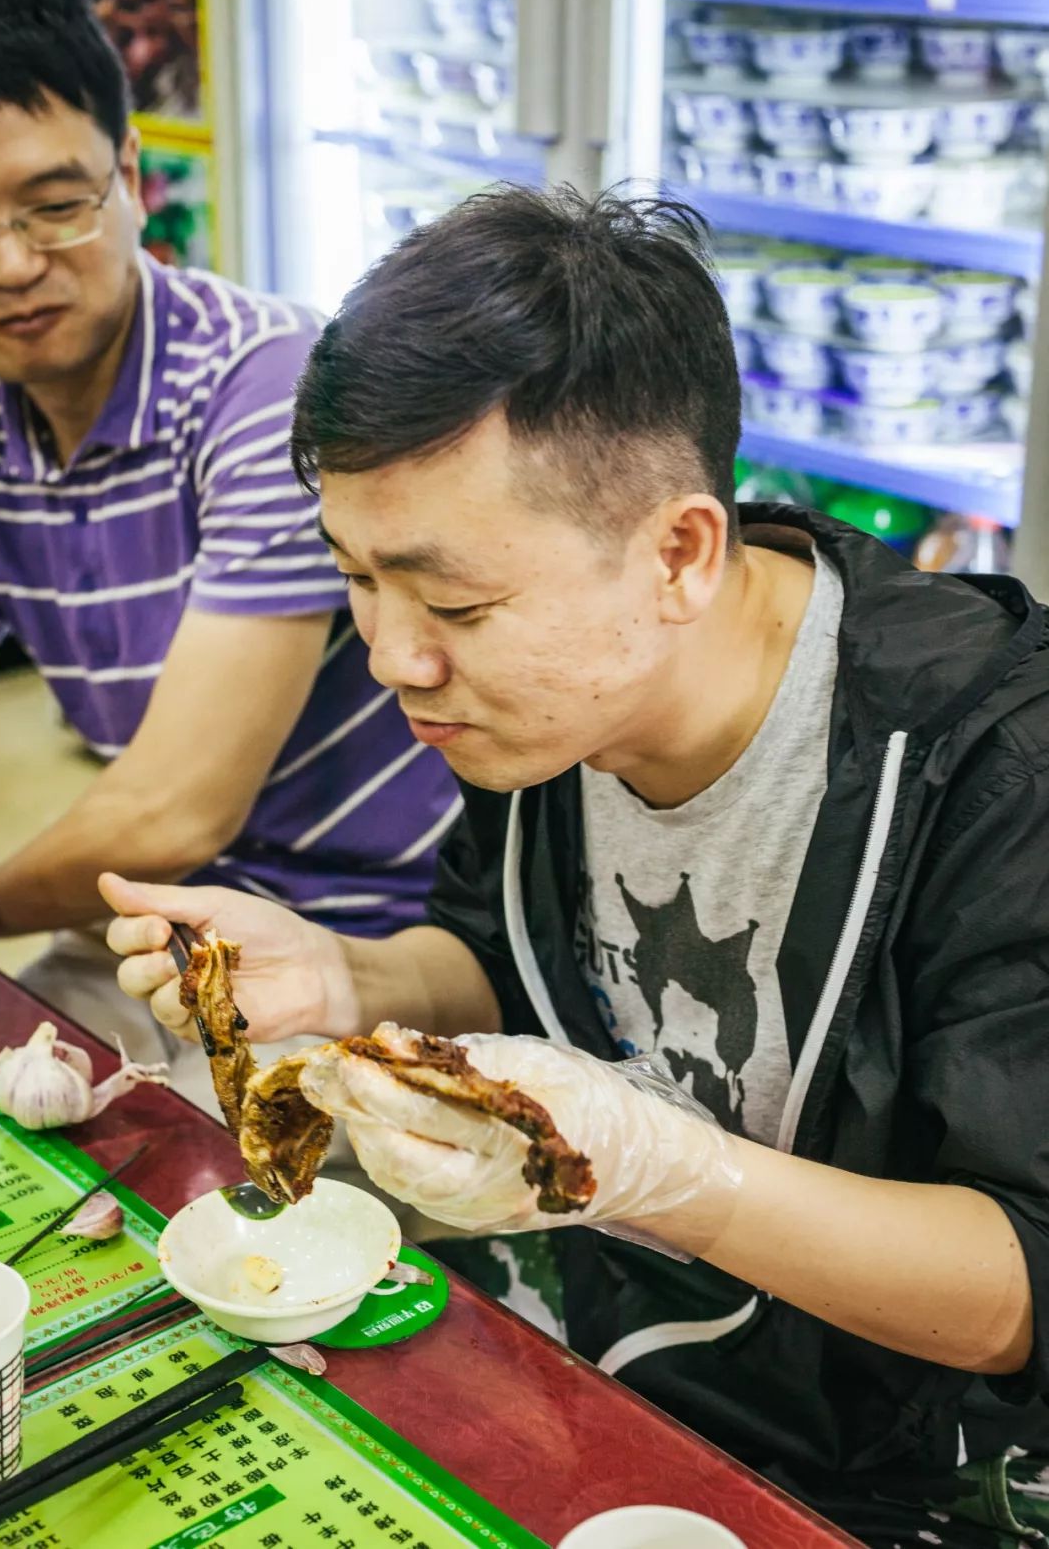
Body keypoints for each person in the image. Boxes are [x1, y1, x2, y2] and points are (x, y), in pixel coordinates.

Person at [103, 186, 1049, 1548]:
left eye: (454, 605)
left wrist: (672, 1172)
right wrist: (343, 978)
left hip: (874, 1472)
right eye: (358, 581)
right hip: (591, 1355)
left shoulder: (991, 764)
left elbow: (1018, 1285)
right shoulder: (546, 699)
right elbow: (498, 957)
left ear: (678, 553)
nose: (392, 658)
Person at [0, 0, 458, 1108]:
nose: (12, 266)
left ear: (132, 172)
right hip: (157, 929)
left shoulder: (266, 386)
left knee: (185, 1227)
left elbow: (177, 810)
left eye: (55, 205)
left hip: (364, 947)